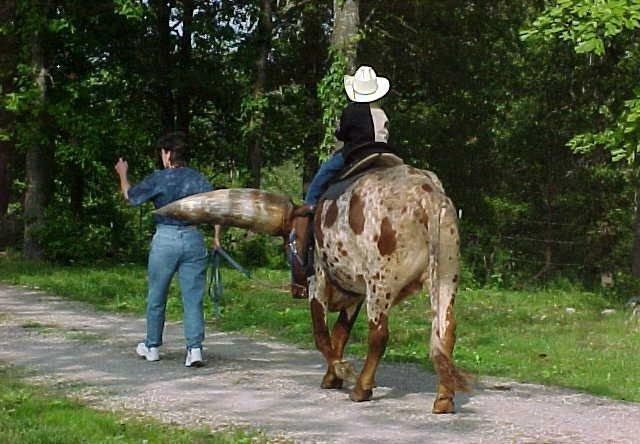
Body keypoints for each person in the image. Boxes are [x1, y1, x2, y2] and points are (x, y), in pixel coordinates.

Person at [114, 132, 220, 367]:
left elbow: (131, 197)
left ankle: (152, 346)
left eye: (163, 152)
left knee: (157, 294)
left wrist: (123, 174)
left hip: (166, 239)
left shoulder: (159, 179)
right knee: (193, 297)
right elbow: (215, 209)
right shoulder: (198, 179)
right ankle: (194, 349)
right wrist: (216, 239)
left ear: (168, 154)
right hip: (193, 238)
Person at [304, 65, 390, 207]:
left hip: (356, 153)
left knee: (324, 172)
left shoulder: (350, 111)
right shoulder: (381, 112)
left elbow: (342, 135)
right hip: (384, 151)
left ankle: (308, 207)